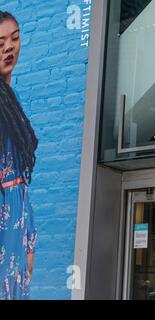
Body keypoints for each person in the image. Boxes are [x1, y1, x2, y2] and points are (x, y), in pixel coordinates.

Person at [0, 11, 38, 300]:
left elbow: (23, 183)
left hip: (17, 218)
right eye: (0, 42)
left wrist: (29, 242)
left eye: (14, 38)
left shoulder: (12, 101)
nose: (9, 47)